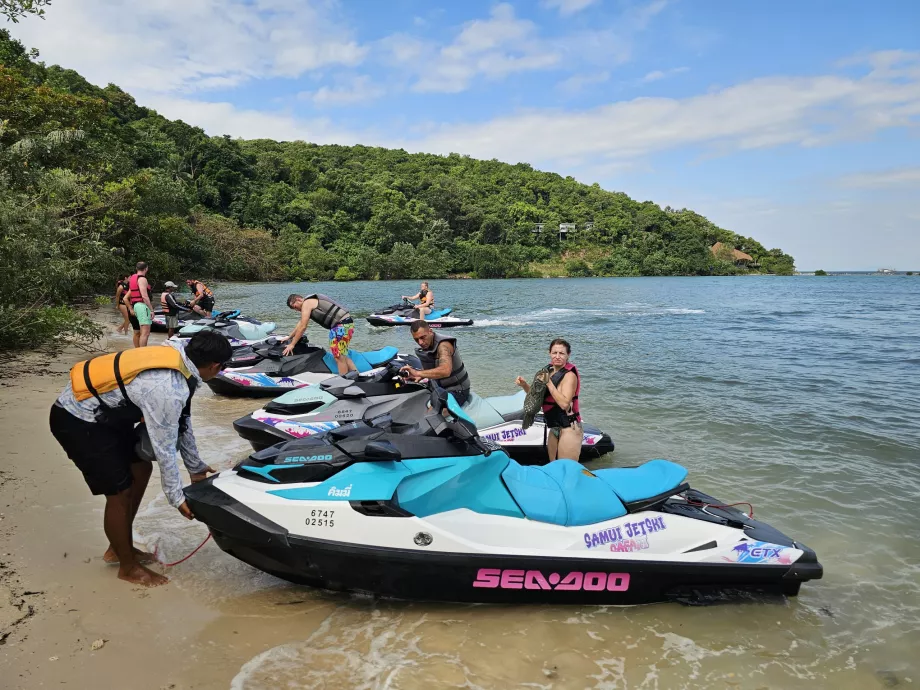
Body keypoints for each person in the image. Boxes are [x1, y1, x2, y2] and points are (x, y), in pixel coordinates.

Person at [48, 331, 233, 587]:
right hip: (78, 419)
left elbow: (183, 421)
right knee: (119, 493)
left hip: (106, 415)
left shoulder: (181, 358)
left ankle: (119, 548)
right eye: (223, 367)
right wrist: (176, 498)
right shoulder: (167, 389)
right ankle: (127, 567)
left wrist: (196, 467)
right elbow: (164, 447)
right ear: (214, 366)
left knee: (140, 467)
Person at [515, 338, 582, 462]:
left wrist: (549, 383)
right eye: (554, 352)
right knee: (553, 466)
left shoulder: (569, 376)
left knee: (565, 468)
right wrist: (524, 385)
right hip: (554, 428)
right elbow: (537, 397)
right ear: (549, 353)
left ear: (568, 355)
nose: (557, 356)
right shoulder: (548, 371)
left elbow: (564, 404)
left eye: (562, 353)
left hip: (569, 428)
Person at [401, 320, 471, 406]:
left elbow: (445, 371)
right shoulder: (428, 343)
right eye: (416, 339)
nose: (420, 342)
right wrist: (419, 375)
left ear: (430, 331)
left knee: (434, 411)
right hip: (439, 388)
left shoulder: (444, 346)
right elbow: (433, 363)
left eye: (423, 337)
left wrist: (417, 372)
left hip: (458, 391)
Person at [283, 294, 356, 375]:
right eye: (294, 309)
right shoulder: (309, 303)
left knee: (338, 357)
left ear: (298, 299)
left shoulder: (307, 303)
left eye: (295, 307)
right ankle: (357, 375)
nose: (296, 310)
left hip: (341, 326)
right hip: (346, 324)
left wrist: (292, 344)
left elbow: (303, 327)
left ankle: (344, 380)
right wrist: (290, 337)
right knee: (341, 355)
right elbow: (300, 323)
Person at [124, 262, 153, 348]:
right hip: (142, 307)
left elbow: (125, 298)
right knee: (145, 333)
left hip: (134, 307)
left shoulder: (133, 280)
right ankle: (142, 353)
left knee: (137, 333)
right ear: (146, 269)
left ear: (136, 268)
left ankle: (137, 351)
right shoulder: (142, 279)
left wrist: (130, 308)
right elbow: (144, 296)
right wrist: (151, 310)